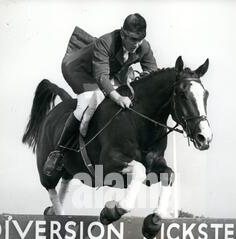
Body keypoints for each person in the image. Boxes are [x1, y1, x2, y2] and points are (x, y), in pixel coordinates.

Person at [44, 13, 158, 173]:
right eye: (133, 39)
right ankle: (58, 152)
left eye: (140, 39)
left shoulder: (143, 46)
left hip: (108, 71)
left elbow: (152, 73)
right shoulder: (106, 42)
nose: (137, 44)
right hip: (79, 70)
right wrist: (117, 97)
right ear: (123, 34)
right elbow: (101, 77)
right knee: (85, 104)